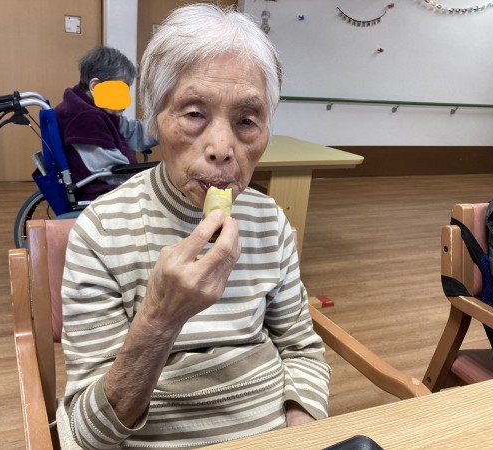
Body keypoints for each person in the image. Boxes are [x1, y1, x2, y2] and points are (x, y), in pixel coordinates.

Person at [56, 4, 331, 449]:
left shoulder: (269, 220)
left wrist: (302, 431)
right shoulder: (100, 231)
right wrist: (160, 318)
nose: (221, 148)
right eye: (194, 113)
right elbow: (89, 436)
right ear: (156, 119)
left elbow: (301, 349)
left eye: (246, 121)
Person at [55, 46, 158, 202]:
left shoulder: (95, 110)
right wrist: (149, 180)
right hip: (101, 194)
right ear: (95, 86)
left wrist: (165, 126)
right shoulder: (84, 118)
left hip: (108, 186)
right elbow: (112, 170)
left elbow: (133, 131)